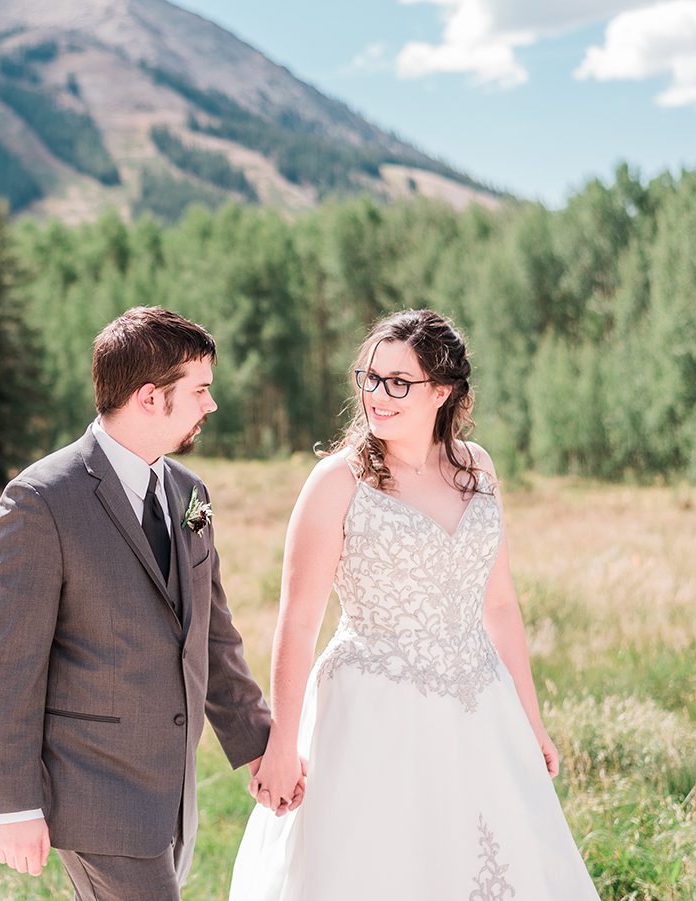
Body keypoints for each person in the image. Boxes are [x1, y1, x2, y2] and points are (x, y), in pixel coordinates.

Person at [229, 309, 598, 899]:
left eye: (399, 382)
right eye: (369, 378)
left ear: (443, 391)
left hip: (481, 711)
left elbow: (499, 605)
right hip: (371, 716)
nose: (378, 395)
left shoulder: (478, 469)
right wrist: (281, 743)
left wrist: (531, 721)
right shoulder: (336, 482)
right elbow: (298, 623)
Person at [0, 306, 297, 900]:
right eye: (200, 389)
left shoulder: (188, 492)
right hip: (90, 794)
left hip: (170, 794)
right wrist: (14, 803)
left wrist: (255, 742)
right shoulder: (41, 500)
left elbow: (211, 633)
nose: (210, 404)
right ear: (151, 397)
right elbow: (4, 662)